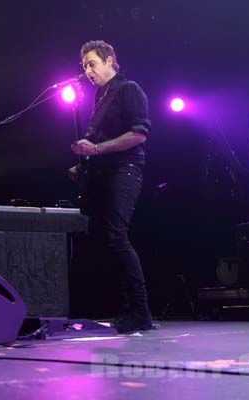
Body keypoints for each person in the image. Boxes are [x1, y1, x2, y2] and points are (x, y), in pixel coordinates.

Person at [70, 40, 154, 333]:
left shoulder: (128, 89)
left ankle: (141, 312)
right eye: (84, 66)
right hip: (104, 172)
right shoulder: (99, 97)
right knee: (105, 240)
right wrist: (84, 161)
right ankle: (126, 309)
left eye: (92, 64)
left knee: (118, 237)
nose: (87, 71)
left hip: (125, 170)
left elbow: (139, 135)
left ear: (109, 61)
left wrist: (97, 149)